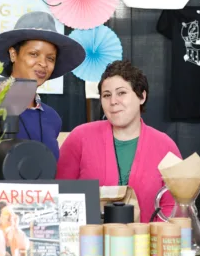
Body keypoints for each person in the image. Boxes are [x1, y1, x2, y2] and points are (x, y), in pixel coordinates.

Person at [0, 11, 86, 249]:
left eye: (50, 58)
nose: (43, 64)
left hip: (41, 236)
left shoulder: (51, 118)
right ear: (13, 53)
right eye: (34, 54)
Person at [56, 61, 181, 222]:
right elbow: (61, 194)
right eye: (106, 95)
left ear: (142, 96)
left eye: (121, 93)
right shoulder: (80, 137)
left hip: (147, 243)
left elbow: (173, 206)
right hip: (89, 243)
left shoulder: (166, 146)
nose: (113, 101)